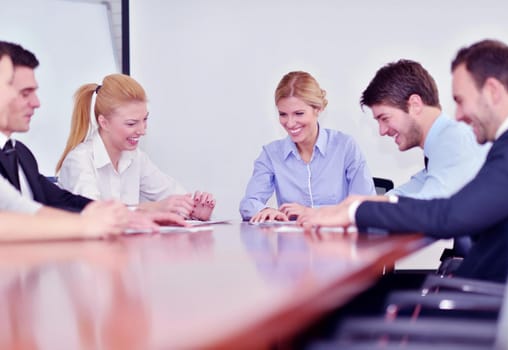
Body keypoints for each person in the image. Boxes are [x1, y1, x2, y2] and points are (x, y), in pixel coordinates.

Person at [298, 39, 508, 283]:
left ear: (493, 91)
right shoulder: (505, 143)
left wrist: (355, 211)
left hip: (480, 300)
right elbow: (413, 192)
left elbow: (443, 211)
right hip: (480, 287)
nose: (458, 115)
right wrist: (339, 209)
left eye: (460, 100)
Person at [0, 41, 129, 240]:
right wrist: (89, 225)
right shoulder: (81, 157)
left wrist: (121, 216)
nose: (36, 103)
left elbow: (25, 209)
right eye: (13, 88)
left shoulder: (19, 153)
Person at [56, 73, 215, 221]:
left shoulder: (136, 157)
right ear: (104, 122)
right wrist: (153, 209)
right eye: (131, 123)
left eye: (145, 120)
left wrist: (192, 210)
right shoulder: (79, 161)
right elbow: (95, 216)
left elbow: (173, 195)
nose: (142, 130)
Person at [239, 71, 375, 223]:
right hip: (291, 245)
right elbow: (248, 203)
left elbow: (366, 205)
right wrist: (264, 210)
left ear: (317, 109)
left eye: (299, 113)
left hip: (338, 242)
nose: (290, 123)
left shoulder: (345, 147)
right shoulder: (271, 154)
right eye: (283, 114)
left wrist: (312, 212)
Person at [361, 59, 488, 199]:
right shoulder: (439, 149)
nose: (382, 131)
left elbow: (426, 210)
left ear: (415, 105)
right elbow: (409, 191)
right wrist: (357, 207)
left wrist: (356, 212)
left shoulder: (455, 144)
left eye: (385, 118)